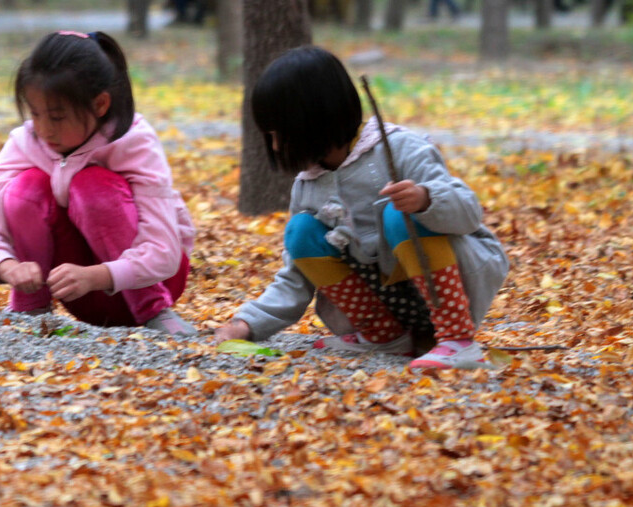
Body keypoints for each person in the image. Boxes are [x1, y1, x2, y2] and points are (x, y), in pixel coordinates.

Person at [212, 46, 509, 369]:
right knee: (301, 230)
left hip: (449, 285)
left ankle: (457, 339)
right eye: (270, 136)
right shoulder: (308, 185)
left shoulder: (400, 148)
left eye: (281, 134)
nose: (276, 146)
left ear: (314, 119)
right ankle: (385, 336)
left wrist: (426, 199)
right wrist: (247, 324)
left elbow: (469, 212)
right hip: (391, 303)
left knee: (399, 214)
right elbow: (296, 276)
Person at [0, 31, 197, 336]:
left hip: (153, 282)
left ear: (100, 105)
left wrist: (98, 276)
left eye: (57, 117)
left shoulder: (134, 142)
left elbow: (164, 253)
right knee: (25, 188)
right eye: (35, 114)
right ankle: (30, 304)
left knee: (90, 185)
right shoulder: (25, 142)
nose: (45, 130)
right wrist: (8, 267)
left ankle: (153, 310)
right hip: (78, 292)